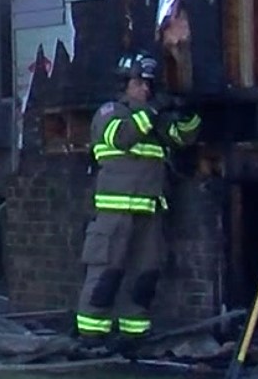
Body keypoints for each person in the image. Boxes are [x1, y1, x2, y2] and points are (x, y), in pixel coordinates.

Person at [74, 51, 201, 355]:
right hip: (114, 211)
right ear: (125, 84)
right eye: (140, 83)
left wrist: (189, 112)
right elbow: (123, 137)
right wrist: (153, 110)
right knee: (107, 271)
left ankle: (134, 333)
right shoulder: (111, 113)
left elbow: (182, 138)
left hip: (149, 210)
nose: (146, 89)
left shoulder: (151, 120)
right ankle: (91, 335)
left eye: (149, 84)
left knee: (146, 273)